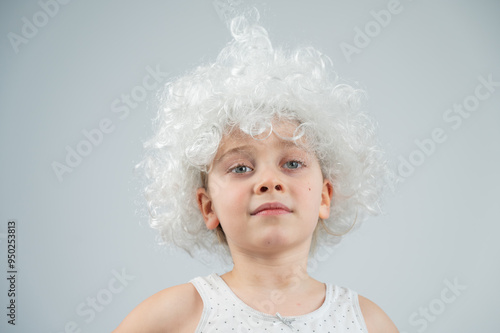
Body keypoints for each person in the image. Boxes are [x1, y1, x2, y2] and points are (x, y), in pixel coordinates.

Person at [114, 12, 398, 333]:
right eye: (240, 168)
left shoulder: (367, 321)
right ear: (208, 207)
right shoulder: (175, 316)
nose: (268, 182)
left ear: (324, 196)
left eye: (292, 163)